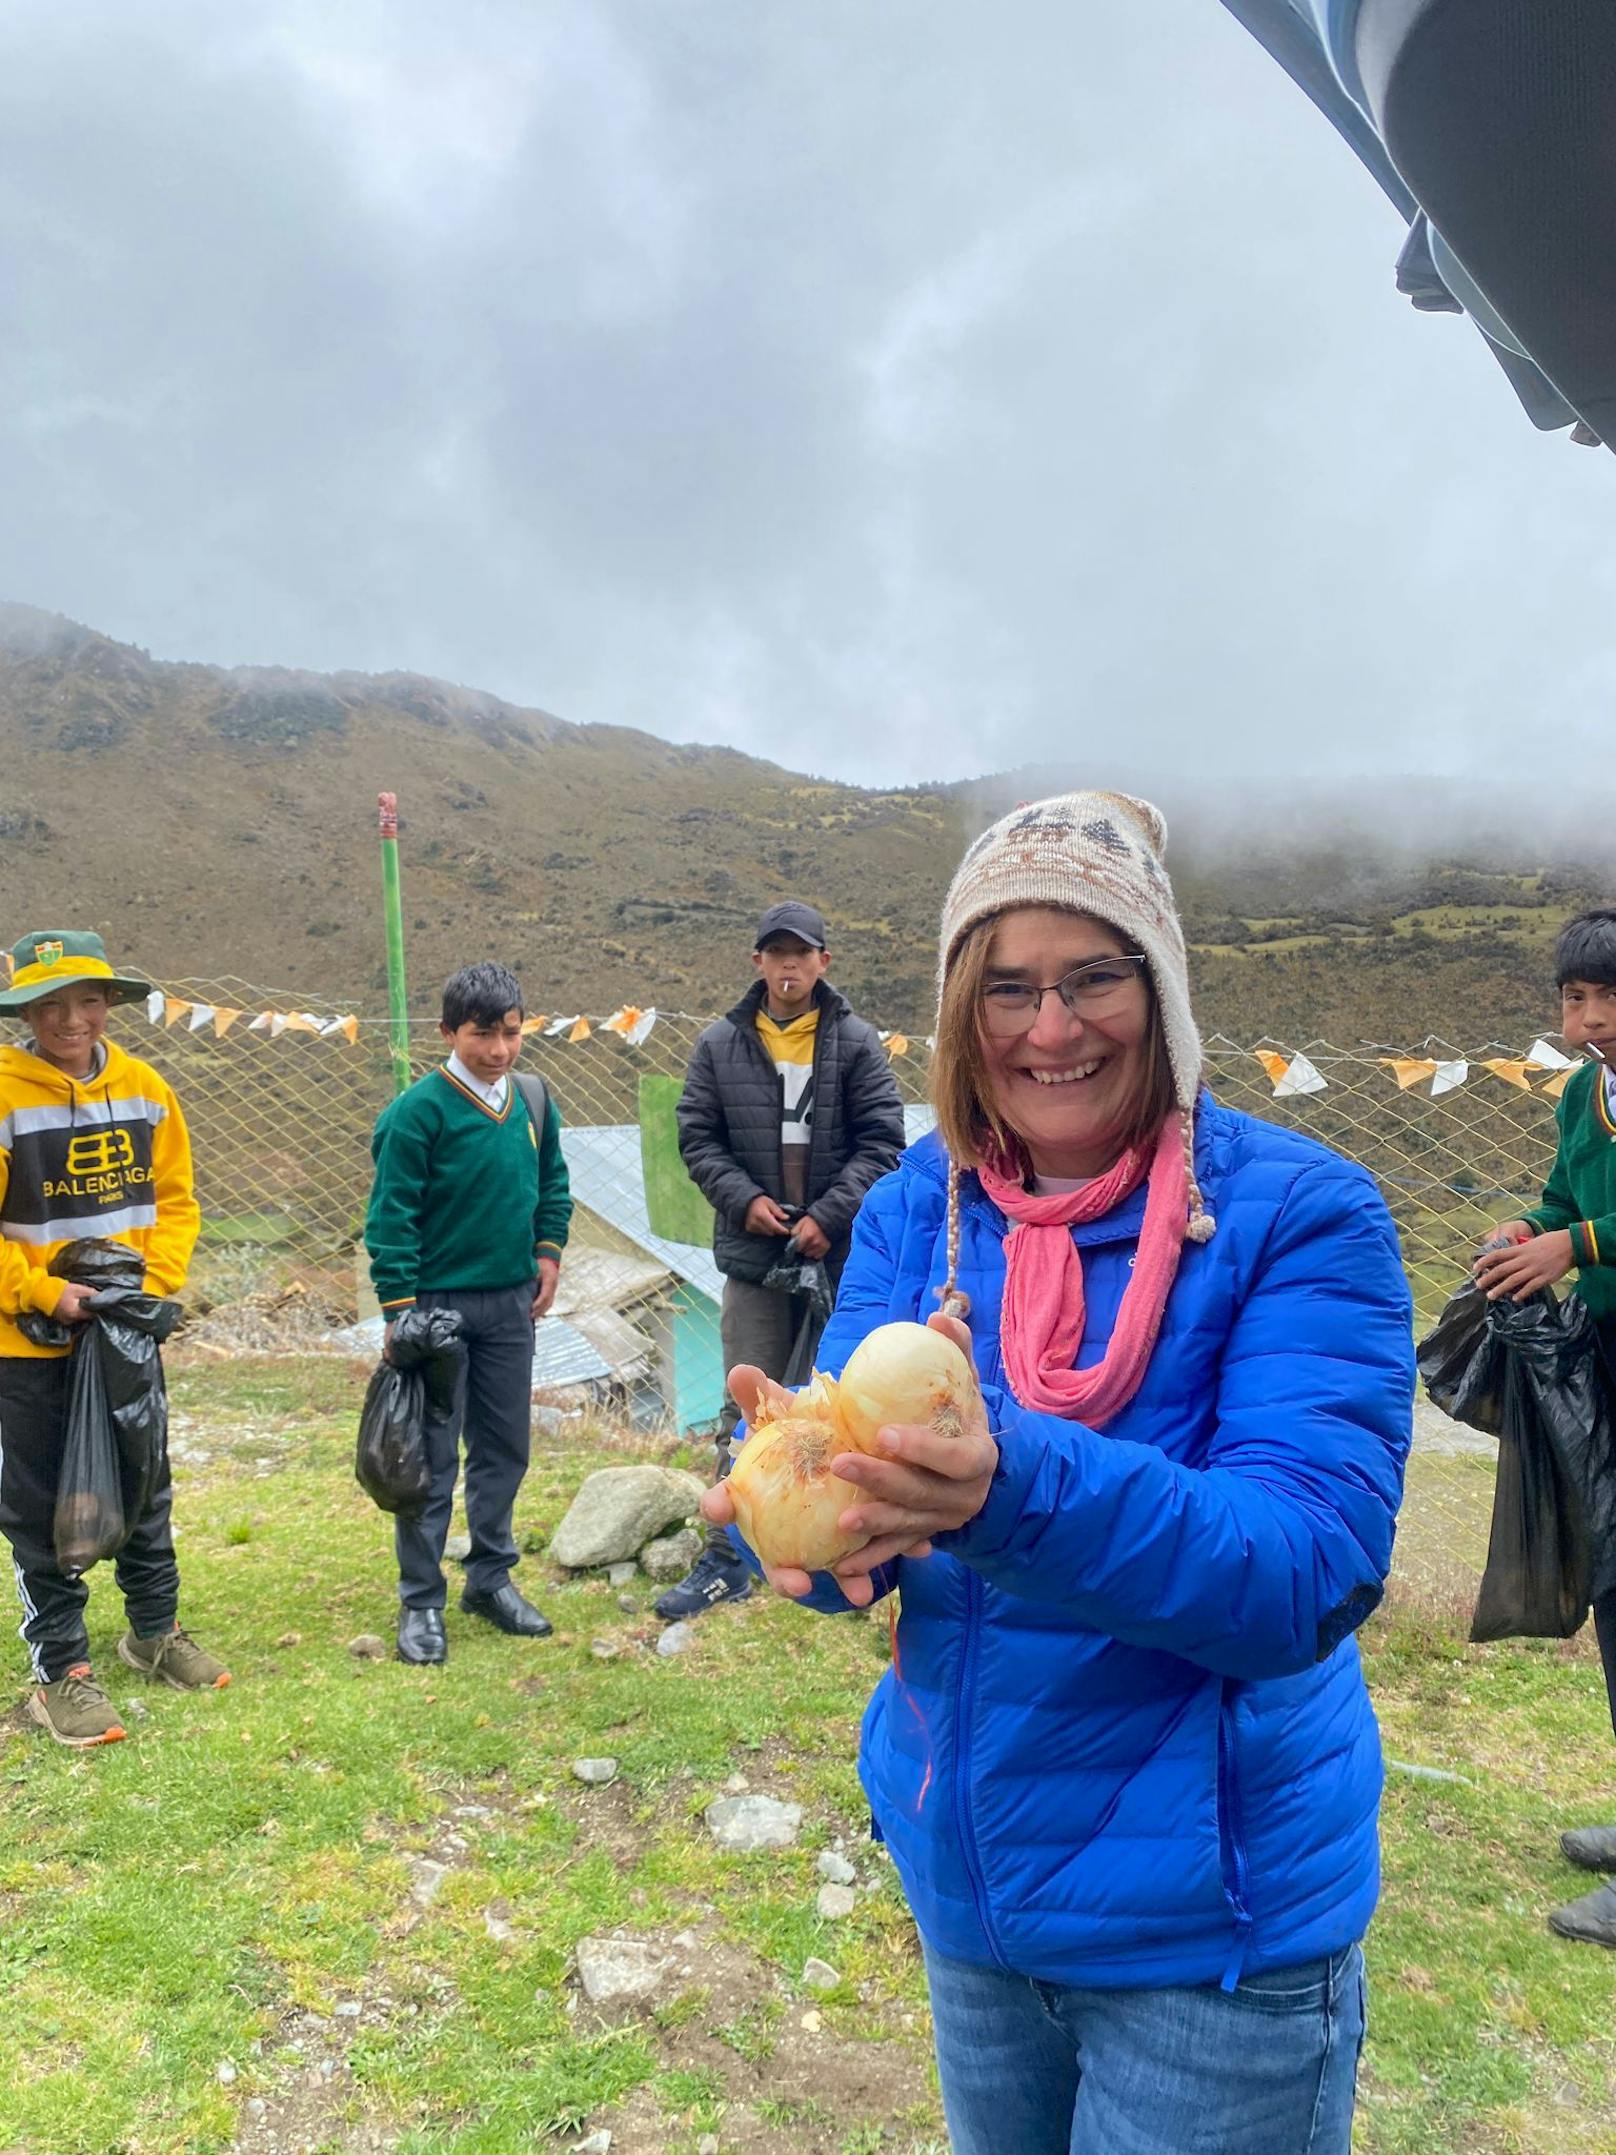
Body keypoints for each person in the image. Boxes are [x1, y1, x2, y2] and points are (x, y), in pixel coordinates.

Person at [705, 795, 1414, 2154]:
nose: (1051, 1027)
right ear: (965, 1008)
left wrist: (1001, 1480)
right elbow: (866, 1527)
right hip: (974, 1888)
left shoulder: (1305, 1215)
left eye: (1094, 975)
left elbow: (1304, 1571)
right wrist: (796, 1522)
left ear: (1163, 987)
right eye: (1009, 986)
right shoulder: (924, 1202)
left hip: (1210, 1932)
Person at [0, 929, 227, 1748]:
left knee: (142, 1477)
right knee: (34, 1501)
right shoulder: (3, 1096)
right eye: (50, 1004)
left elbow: (177, 1199)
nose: (71, 1018)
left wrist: (151, 1286)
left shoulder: (146, 1089)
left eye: (86, 1000)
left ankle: (154, 1631)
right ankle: (61, 1668)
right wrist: (40, 1289)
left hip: (126, 1337)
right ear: (26, 1011)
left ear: (109, 1004)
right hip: (27, 1344)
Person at [658, 901, 905, 1621]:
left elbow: (883, 1140)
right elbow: (698, 1137)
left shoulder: (857, 1045)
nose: (789, 965)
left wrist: (831, 1215)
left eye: (803, 953)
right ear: (757, 962)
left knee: (838, 1405)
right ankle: (730, 1555)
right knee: (753, 1404)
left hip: (839, 1261)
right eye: (777, 952)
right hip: (754, 1259)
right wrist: (746, 1203)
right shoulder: (719, 1046)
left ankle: (838, 1543)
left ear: (824, 962)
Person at [1475, 907, 1616, 1948]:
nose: (1588, 1021)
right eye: (1574, 999)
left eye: (1606, 996)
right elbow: (1562, 1193)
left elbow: (1583, 1225)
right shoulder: (1582, 1093)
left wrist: (1570, 1244)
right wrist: (1526, 1227)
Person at [366, 961, 572, 1664]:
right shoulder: (418, 1112)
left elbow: (553, 1186)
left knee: (504, 1446)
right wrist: (400, 1312)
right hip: (436, 1309)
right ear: (448, 1031)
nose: (498, 1050)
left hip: (512, 1304)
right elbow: (390, 1217)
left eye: (511, 1033)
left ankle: (490, 1577)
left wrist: (547, 1253)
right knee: (429, 1458)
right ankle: (420, 1600)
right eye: (482, 1034)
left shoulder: (536, 1101)